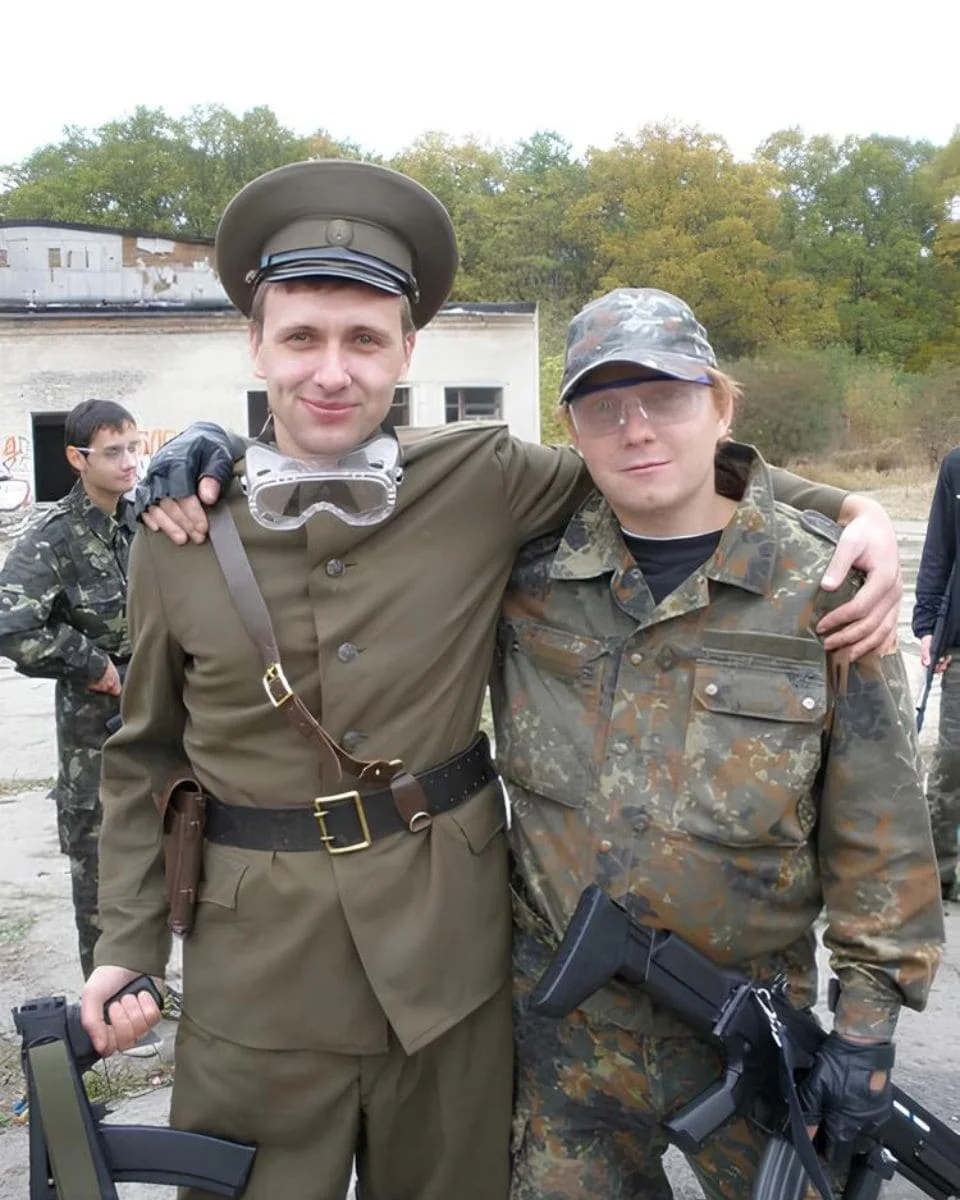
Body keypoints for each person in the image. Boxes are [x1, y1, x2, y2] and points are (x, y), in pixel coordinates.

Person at [82, 160, 903, 1200]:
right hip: (256, 976)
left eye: (364, 341)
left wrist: (847, 509)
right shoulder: (181, 529)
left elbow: (655, 463)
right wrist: (127, 944)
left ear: (407, 351)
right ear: (256, 344)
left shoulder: (482, 477)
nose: (331, 372)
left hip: (449, 966)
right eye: (300, 339)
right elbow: (145, 752)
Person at [495, 288, 944, 1200]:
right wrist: (211, 458)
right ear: (572, 430)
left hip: (747, 1031)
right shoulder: (525, 576)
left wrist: (866, 1032)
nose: (637, 429)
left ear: (723, 406)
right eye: (604, 406)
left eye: (666, 397)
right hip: (561, 1046)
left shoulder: (820, 588)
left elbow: (882, 833)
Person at [0, 400, 140, 982]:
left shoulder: (142, 521)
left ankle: (153, 977)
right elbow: (11, 623)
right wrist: (94, 666)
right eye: (114, 452)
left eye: (134, 447)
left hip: (160, 712)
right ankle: (111, 999)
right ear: (77, 459)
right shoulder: (54, 539)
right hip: (94, 729)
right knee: (100, 863)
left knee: (165, 850)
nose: (131, 462)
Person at [913, 445, 960, 902]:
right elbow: (939, 550)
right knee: (951, 761)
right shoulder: (956, 466)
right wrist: (928, 626)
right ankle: (937, 873)